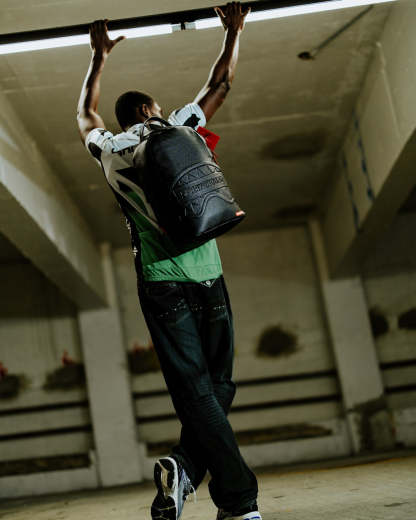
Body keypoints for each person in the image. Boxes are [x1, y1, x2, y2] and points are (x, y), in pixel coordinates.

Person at [76, 3, 260, 520]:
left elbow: (84, 116)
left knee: (196, 390)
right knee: (219, 386)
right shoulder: (179, 125)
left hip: (160, 282)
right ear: (149, 110)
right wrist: (233, 31)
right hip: (208, 273)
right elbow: (221, 84)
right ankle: (234, 499)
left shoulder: (110, 149)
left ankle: (197, 477)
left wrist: (97, 60)